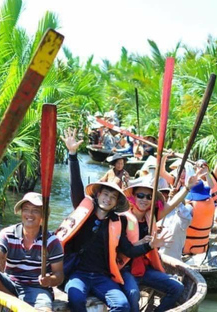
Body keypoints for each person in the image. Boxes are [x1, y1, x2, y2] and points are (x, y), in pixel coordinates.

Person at [58, 128, 167, 312]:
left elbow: (128, 250)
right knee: (76, 298)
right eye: (105, 194)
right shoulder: (84, 212)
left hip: (102, 276)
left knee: (122, 305)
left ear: (117, 202)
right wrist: (73, 155)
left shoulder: (118, 222)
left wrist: (150, 245)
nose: (107, 199)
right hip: (79, 274)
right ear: (98, 194)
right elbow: (75, 186)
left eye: (113, 197)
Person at [120, 170, 203, 312]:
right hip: (126, 269)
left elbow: (171, 204)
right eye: (140, 195)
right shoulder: (122, 218)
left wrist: (187, 188)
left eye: (148, 197)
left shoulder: (150, 216)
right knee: (133, 294)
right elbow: (121, 249)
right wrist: (142, 243)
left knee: (177, 288)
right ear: (133, 197)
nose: (144, 199)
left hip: (145, 268)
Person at [0, 192, 64, 312]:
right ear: (21, 213)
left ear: (43, 216)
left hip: (37, 288)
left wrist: (49, 280)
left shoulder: (52, 242)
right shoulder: (8, 233)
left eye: (35, 210)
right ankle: (16, 301)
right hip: (10, 283)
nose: (29, 214)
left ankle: (18, 303)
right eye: (26, 210)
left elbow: (59, 275)